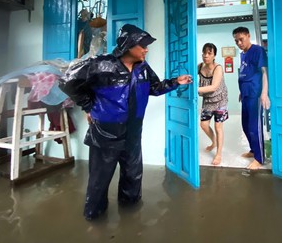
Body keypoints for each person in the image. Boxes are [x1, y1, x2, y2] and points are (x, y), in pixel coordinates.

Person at [58, 24, 193, 221]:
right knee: (100, 178)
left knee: (133, 174)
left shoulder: (143, 69)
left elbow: (154, 88)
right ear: (130, 45)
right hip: (106, 132)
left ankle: (130, 212)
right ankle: (94, 215)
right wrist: (89, 106)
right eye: (143, 45)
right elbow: (67, 81)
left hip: (133, 131)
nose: (146, 49)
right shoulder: (101, 64)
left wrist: (175, 82)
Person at [232, 26, 270, 170]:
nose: (239, 43)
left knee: (254, 127)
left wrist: (264, 93)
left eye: (241, 39)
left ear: (248, 36)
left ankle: (259, 158)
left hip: (255, 94)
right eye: (236, 41)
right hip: (246, 94)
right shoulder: (243, 54)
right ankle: (253, 149)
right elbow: (245, 73)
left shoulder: (257, 51)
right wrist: (242, 91)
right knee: (245, 126)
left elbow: (264, 72)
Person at [197, 43, 228, 166]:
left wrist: (196, 89)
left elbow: (214, 87)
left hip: (220, 100)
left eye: (209, 53)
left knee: (218, 127)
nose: (206, 55)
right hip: (208, 101)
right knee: (204, 125)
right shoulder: (199, 67)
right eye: (204, 53)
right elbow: (191, 76)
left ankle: (218, 153)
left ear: (214, 55)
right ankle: (214, 141)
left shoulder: (218, 68)